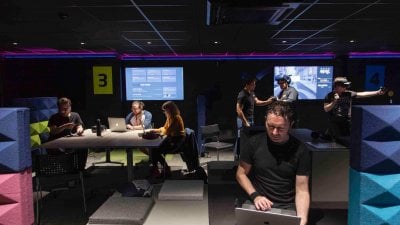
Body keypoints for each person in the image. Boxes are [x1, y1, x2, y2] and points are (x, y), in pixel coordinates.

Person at [236, 101, 311, 225]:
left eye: (281, 128)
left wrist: (302, 220)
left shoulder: (301, 150)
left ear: (291, 125)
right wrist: (255, 196)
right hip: (258, 201)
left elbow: (302, 190)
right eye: (271, 126)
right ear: (265, 120)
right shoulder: (253, 143)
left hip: (286, 205)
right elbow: (241, 174)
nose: (275, 132)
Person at [235, 77, 274, 158]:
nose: (254, 86)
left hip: (250, 118)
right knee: (241, 138)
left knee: (250, 138)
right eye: (252, 84)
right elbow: (238, 110)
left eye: (254, 84)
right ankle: (237, 156)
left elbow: (257, 102)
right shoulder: (242, 94)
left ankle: (247, 156)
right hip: (243, 119)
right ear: (247, 85)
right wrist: (245, 122)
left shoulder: (252, 93)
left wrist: (268, 101)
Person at [47, 97, 88, 168]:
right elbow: (53, 131)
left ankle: (81, 169)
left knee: (83, 147)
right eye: (63, 109)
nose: (65, 110)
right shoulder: (53, 117)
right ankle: (68, 169)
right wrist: (64, 126)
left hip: (71, 141)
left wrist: (79, 130)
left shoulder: (75, 115)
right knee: (61, 151)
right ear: (59, 108)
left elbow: (79, 126)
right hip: (57, 142)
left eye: (67, 108)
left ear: (70, 107)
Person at [149, 101, 186, 178]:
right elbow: (165, 128)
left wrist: (160, 131)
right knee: (154, 150)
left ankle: (161, 169)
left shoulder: (176, 118)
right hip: (172, 139)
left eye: (165, 110)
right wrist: (155, 130)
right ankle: (160, 168)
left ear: (170, 109)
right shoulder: (170, 117)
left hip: (177, 141)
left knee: (155, 150)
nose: (164, 112)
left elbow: (167, 131)